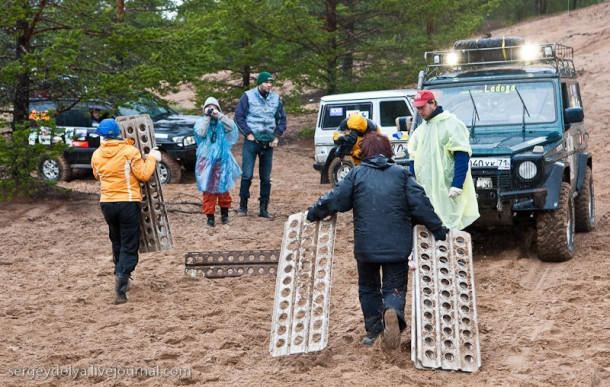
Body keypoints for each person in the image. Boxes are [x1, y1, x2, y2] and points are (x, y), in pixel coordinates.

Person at [306, 132, 448, 349]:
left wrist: (313, 212)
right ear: (389, 151)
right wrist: (438, 229)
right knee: (394, 287)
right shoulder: (402, 175)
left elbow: (335, 199)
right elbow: (420, 204)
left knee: (368, 288)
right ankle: (392, 312)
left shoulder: (356, 175)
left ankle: (374, 331)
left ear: (364, 153)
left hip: (366, 247)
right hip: (397, 247)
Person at [91, 118, 161, 305]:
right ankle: (121, 284)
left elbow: (97, 175)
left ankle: (119, 273)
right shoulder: (130, 152)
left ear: (103, 137)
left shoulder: (96, 155)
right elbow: (144, 174)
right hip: (128, 201)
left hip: (107, 203)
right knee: (130, 243)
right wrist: (153, 157)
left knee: (117, 240)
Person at [407, 90, 480, 230]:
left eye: (423, 107)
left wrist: (457, 184)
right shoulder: (420, 131)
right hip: (426, 190)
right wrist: (413, 187)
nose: (420, 111)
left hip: (447, 189)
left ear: (433, 103)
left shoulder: (451, 124)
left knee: (450, 223)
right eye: (418, 108)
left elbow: (462, 155)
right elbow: (413, 161)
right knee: (430, 226)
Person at [235, 71, 287, 218]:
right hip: (252, 141)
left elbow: (282, 119)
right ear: (260, 83)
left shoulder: (276, 99)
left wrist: (276, 136)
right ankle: (243, 207)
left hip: (268, 142)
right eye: (266, 82)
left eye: (271, 83)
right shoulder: (248, 96)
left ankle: (263, 209)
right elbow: (238, 116)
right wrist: (248, 134)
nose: (269, 85)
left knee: (266, 177)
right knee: (247, 175)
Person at [193, 97, 242, 227]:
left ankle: (224, 215)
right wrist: (208, 118)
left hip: (221, 160)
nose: (211, 109)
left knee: (223, 188)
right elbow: (201, 133)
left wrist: (218, 115)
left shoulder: (222, 122)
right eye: (208, 107)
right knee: (208, 189)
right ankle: (210, 218)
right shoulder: (201, 122)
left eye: (213, 107)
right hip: (206, 160)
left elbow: (232, 127)